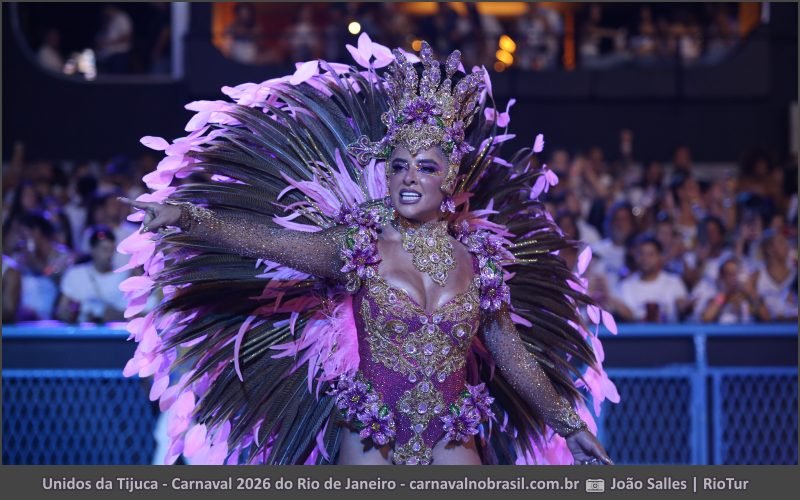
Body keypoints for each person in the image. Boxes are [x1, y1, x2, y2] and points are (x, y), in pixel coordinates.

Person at [119, 39, 616, 466]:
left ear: (449, 177)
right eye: (399, 166)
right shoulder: (359, 248)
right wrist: (189, 218)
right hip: (369, 439)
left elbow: (511, 354)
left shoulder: (479, 261)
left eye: (424, 167)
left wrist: (569, 428)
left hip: (452, 437)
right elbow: (269, 241)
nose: (409, 178)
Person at [56, 226, 129, 323]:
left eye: (111, 250)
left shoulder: (123, 276)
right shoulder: (75, 274)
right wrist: (71, 314)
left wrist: (109, 315)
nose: (109, 255)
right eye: (104, 250)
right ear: (92, 250)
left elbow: (130, 314)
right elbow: (61, 309)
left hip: (111, 334)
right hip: (79, 333)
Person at [613, 234, 691, 323]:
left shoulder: (674, 282)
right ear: (635, 256)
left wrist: (687, 307)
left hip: (669, 336)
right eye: (641, 254)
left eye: (650, 255)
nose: (645, 259)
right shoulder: (624, 286)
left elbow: (682, 306)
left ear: (660, 257)